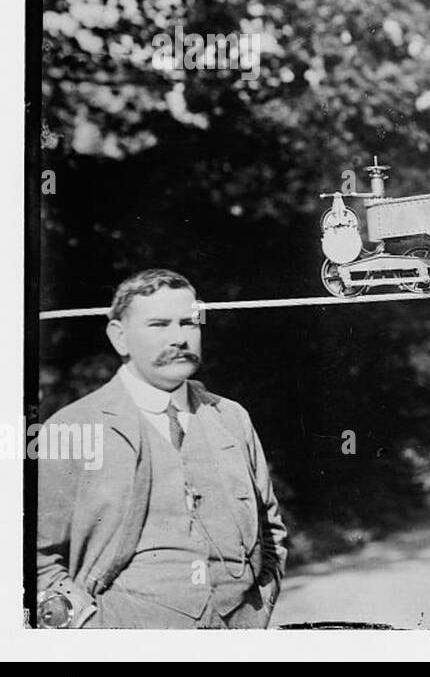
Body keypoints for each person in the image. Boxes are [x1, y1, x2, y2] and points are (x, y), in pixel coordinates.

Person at [35, 269, 288, 628]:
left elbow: (270, 531)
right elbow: (33, 559)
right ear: (120, 337)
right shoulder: (70, 428)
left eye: (189, 323)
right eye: (158, 325)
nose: (179, 338)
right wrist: (85, 631)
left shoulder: (231, 417)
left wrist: (257, 611)